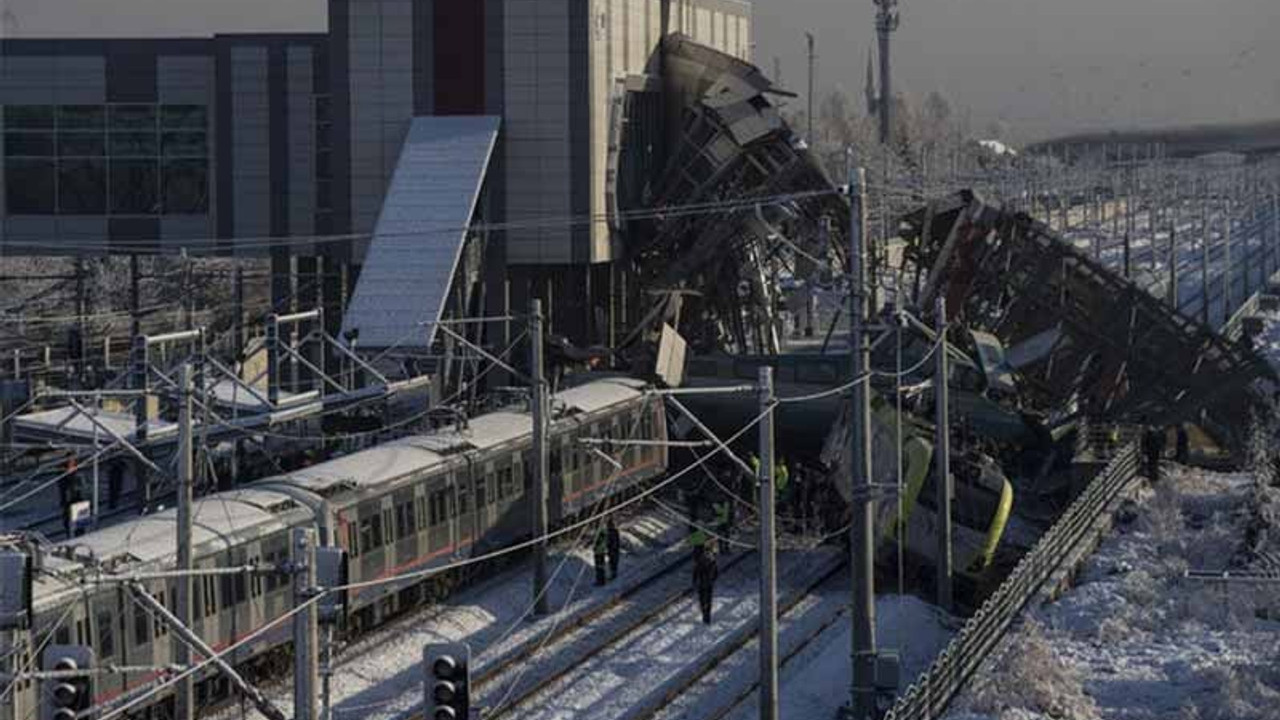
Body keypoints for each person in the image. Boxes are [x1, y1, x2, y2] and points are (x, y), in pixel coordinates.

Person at [692, 538, 718, 624]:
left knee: (703, 600)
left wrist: (694, 581)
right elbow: (716, 572)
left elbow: (695, 572)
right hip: (709, 583)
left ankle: (705, 615)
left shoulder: (700, 560)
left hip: (701, 583)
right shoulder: (712, 560)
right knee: (708, 600)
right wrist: (713, 579)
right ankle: (707, 616)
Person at [59, 458, 82, 536]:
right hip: (68, 501)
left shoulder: (78, 475)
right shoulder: (63, 477)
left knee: (80, 522)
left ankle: (79, 533)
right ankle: (69, 533)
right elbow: (62, 490)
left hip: (78, 500)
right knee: (68, 520)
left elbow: (82, 487)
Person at [606, 517, 621, 582]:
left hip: (614, 549)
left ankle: (614, 574)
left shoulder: (613, 532)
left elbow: (614, 541)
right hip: (612, 549)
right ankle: (613, 573)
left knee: (613, 562)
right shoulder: (611, 532)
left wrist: (613, 548)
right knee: (612, 562)